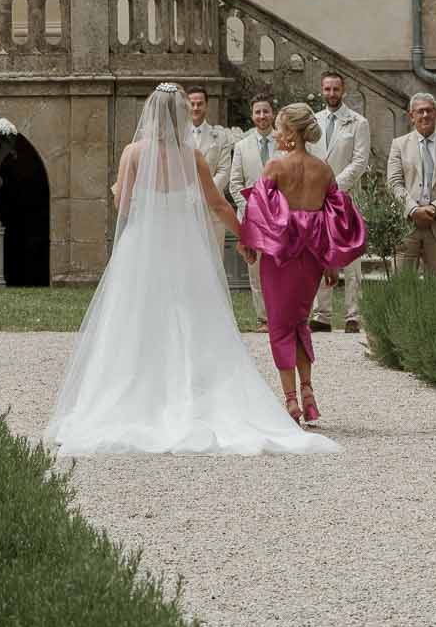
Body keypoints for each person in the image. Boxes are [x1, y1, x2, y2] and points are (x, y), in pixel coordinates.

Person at [44, 84, 336, 456]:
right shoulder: (193, 157)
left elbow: (123, 207)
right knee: (193, 317)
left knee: (136, 318)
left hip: (145, 246)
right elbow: (217, 204)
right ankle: (201, 391)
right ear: (181, 114)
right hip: (185, 248)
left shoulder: (134, 154)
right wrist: (244, 236)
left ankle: (140, 391)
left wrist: (121, 189)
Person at [240, 102, 367, 426]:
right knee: (300, 322)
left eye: (281, 128)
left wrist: (249, 243)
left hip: (279, 257)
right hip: (310, 258)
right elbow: (336, 219)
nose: (277, 134)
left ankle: (291, 401)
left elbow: (257, 211)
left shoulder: (275, 168)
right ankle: (308, 390)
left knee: (280, 327)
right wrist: (331, 262)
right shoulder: (323, 170)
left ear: (292, 133)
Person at [310, 71, 370, 332]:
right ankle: (321, 314)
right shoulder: (314, 121)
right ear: (321, 90)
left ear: (343, 91)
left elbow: (360, 161)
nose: (331, 94)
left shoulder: (358, 123)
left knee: (351, 256)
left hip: (344, 196)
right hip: (316, 199)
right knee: (320, 252)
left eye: (336, 89)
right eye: (327, 89)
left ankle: (353, 314)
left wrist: (333, 186)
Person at [387, 92, 436, 280]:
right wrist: (413, 210)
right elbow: (394, 183)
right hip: (407, 224)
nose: (425, 115)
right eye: (420, 111)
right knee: (401, 284)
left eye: (429, 111)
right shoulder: (399, 145)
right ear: (412, 116)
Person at [228, 93, 277, 323]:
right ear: (252, 115)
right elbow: (235, 183)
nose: (262, 116)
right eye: (257, 112)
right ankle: (263, 318)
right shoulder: (241, 146)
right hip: (251, 217)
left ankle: (280, 316)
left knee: (278, 268)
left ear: (272, 113)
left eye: (265, 111)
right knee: (255, 269)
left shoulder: (284, 142)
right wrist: (251, 207)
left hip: (279, 216)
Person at [184, 86, 236, 257]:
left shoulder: (221, 136)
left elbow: (224, 171)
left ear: (207, 105)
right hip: (184, 209)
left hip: (212, 211)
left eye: (200, 103)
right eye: (192, 104)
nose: (196, 108)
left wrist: (204, 193)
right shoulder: (178, 136)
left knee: (214, 264)